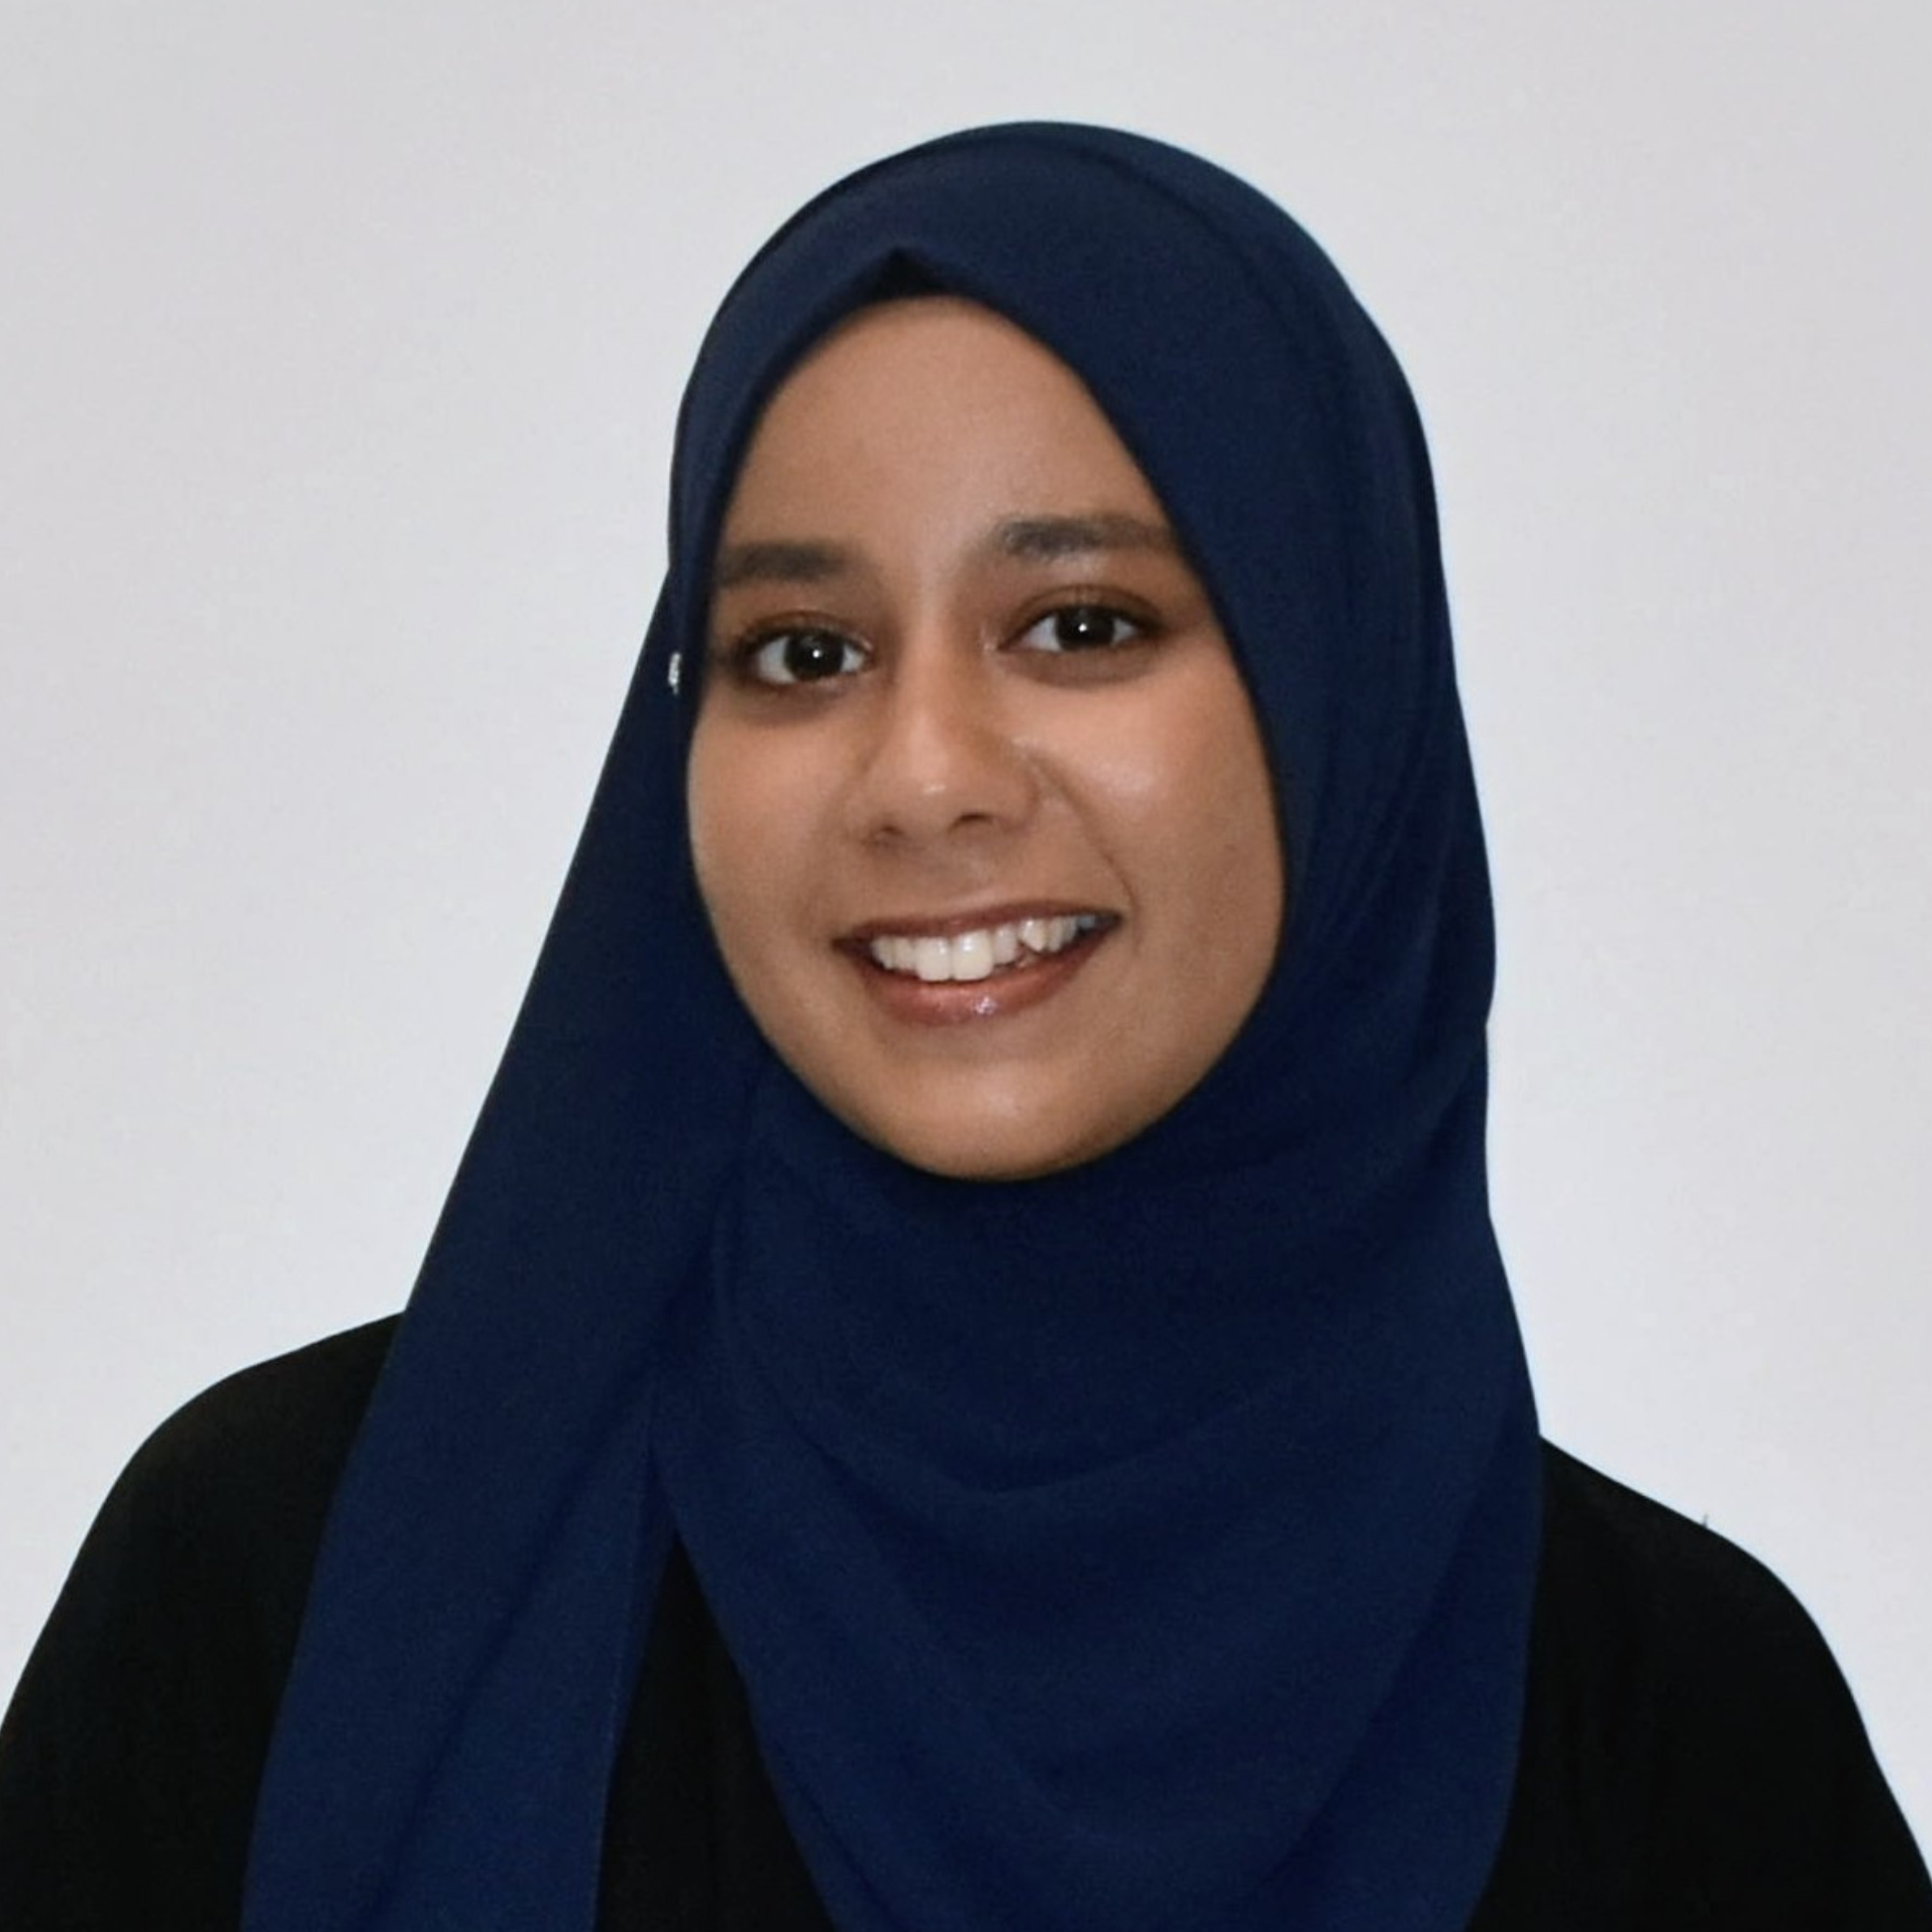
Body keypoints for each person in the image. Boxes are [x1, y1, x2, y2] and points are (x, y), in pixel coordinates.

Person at [2, 122, 1926, 1932]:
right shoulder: (295, 1584)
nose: (921, 776)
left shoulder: (1678, 1724)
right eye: (802, 652)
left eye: (1080, 624)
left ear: (1336, 697)